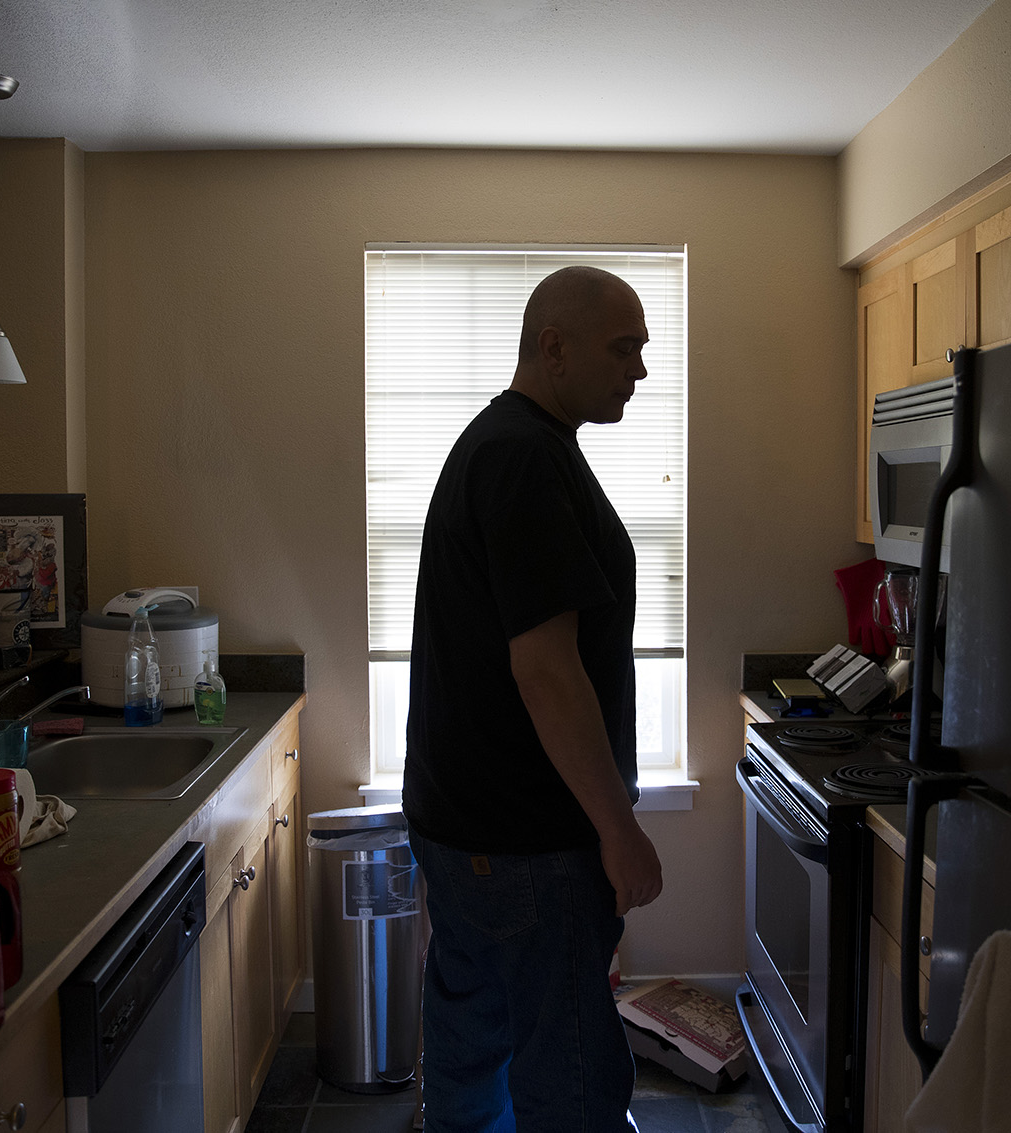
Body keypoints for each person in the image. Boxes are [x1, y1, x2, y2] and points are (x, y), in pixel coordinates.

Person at [403, 265, 664, 1132]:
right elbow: (545, 670)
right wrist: (618, 830)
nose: (640, 369)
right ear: (553, 347)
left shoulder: (510, 443)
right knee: (571, 1090)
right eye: (624, 349)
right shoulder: (521, 457)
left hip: (471, 833)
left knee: (472, 1069)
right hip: (528, 849)